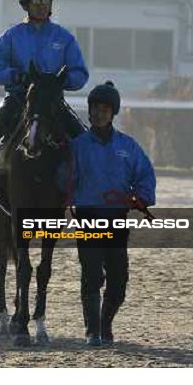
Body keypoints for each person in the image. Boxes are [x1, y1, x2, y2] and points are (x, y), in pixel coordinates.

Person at [0, 0, 89, 203]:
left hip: (53, 102)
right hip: (17, 98)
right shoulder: (11, 36)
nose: (42, 6)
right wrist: (16, 75)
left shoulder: (64, 38)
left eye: (46, 1)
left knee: (83, 138)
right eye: (36, 2)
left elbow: (81, 74)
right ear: (25, 5)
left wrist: (61, 81)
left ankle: (88, 186)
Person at [70, 81, 156, 346]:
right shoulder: (78, 146)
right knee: (92, 275)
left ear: (113, 112)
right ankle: (92, 331)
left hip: (117, 219)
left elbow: (144, 175)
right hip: (87, 217)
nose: (98, 113)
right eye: (95, 108)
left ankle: (105, 324)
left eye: (104, 109)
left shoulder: (128, 147)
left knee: (119, 280)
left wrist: (141, 197)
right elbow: (65, 178)